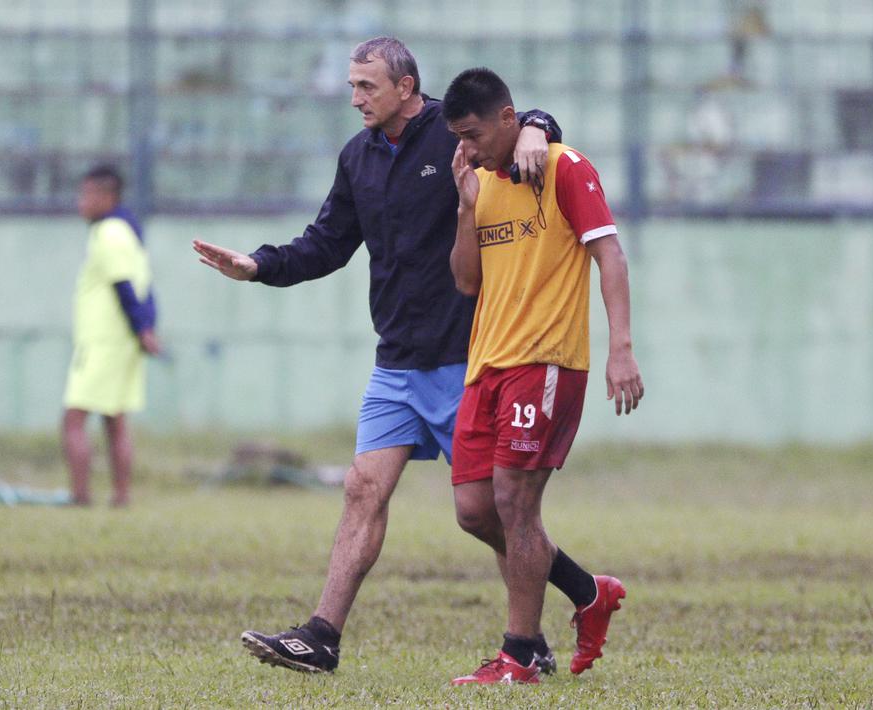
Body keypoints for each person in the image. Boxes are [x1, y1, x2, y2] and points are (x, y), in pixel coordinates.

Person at [191, 36, 595, 674]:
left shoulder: (454, 136)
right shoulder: (358, 157)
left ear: (406, 87)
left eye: (366, 86)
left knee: (491, 514)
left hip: (468, 360)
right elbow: (326, 242)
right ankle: (322, 636)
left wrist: (540, 125)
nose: (354, 98)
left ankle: (548, 622)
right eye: (352, 86)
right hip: (395, 365)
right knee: (362, 489)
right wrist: (258, 265)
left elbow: (511, 125)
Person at [443, 67, 643, 685]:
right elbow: (465, 281)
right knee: (475, 510)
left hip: (547, 359)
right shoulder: (477, 180)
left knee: (516, 502)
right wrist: (464, 207)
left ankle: (521, 653)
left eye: (472, 134)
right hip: (487, 364)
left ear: (511, 118)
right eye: (458, 137)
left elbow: (608, 253)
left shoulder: (563, 166)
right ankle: (587, 591)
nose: (466, 148)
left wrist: (621, 349)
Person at [62, 165, 161, 507]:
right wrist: (146, 327)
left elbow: (125, 287)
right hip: (121, 341)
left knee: (73, 419)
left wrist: (142, 327)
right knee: (115, 419)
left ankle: (80, 496)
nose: (81, 203)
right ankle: (120, 497)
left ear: (107, 197)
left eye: (87, 195)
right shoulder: (128, 232)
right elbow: (145, 283)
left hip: (104, 341)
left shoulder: (110, 233)